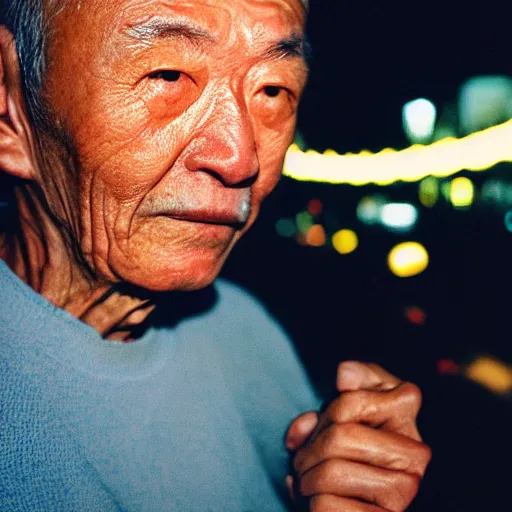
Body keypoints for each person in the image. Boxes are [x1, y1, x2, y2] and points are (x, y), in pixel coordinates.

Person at [0, 0, 431, 510]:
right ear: (9, 104)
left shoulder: (245, 329)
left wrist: (346, 481)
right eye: (168, 74)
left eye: (272, 90)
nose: (239, 158)